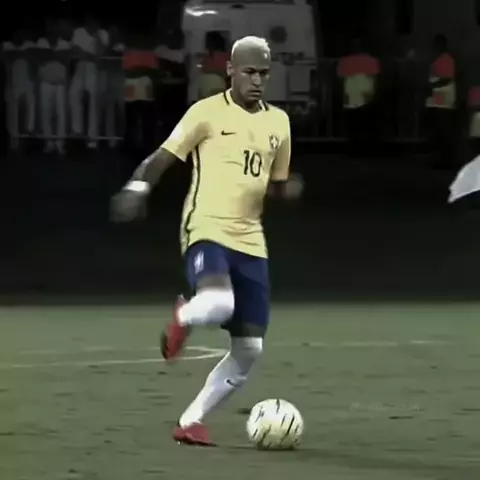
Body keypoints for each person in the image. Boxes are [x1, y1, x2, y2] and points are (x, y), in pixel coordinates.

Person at [110, 35, 303, 446]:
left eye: (263, 73)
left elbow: (273, 182)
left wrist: (286, 190)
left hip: (251, 239)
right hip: (207, 226)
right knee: (218, 302)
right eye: (249, 72)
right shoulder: (206, 112)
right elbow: (162, 157)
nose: (257, 80)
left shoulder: (279, 123)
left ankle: (191, 421)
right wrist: (137, 188)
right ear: (230, 70)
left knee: (249, 349)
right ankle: (183, 317)